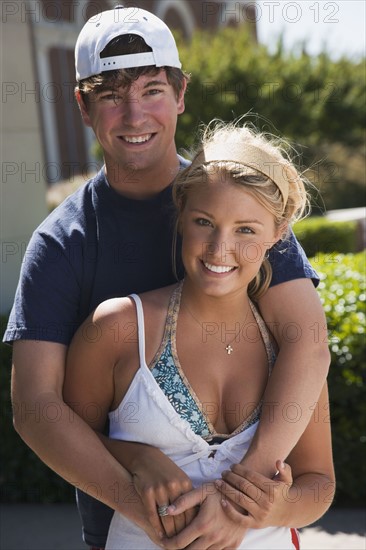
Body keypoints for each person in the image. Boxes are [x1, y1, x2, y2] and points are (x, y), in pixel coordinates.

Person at [4, 5, 330, 549]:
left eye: (152, 91)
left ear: (181, 95)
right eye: (111, 95)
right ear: (84, 107)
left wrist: (240, 503)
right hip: (127, 534)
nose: (135, 116)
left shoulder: (237, 198)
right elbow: (37, 410)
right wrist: (141, 499)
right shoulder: (61, 244)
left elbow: (307, 343)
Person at [63, 120, 335, 549]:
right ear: (181, 216)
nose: (219, 248)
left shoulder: (294, 350)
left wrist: (270, 509)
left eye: (246, 229)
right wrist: (137, 457)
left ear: (278, 234)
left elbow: (319, 483)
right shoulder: (118, 328)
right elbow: (69, 439)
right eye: (205, 222)